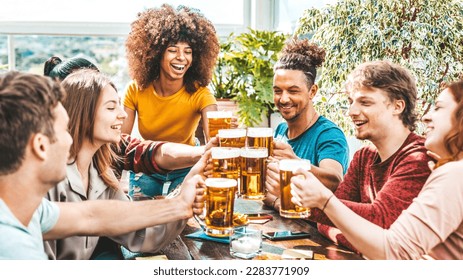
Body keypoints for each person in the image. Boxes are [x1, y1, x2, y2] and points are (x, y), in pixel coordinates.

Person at [0, 71, 206, 260]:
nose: (70, 140)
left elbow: (92, 216)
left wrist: (180, 202)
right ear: (40, 145)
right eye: (64, 131)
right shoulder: (15, 249)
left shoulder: (34, 209)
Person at [291, 79, 463, 259]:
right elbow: (328, 225)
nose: (427, 116)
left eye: (439, 107)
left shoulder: (444, 169)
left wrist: (324, 202)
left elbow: (392, 249)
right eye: (351, 102)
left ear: (398, 106)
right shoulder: (447, 169)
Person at [121, 4, 220, 197]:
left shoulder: (201, 94)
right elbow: (119, 142)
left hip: (186, 166)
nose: (182, 58)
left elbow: (215, 142)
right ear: (156, 53)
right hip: (147, 165)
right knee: (143, 219)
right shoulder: (136, 89)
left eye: (188, 51)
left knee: (187, 220)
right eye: (173, 50)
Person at [263, 38, 349, 209]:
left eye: (293, 91)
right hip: (282, 225)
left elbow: (335, 180)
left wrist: (295, 163)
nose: (284, 99)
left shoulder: (329, 134)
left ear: (312, 91)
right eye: (278, 91)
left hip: (313, 232)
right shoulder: (281, 129)